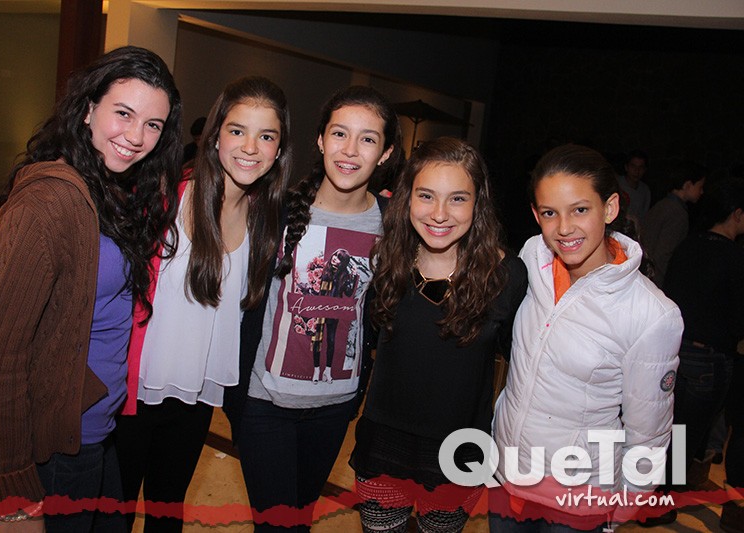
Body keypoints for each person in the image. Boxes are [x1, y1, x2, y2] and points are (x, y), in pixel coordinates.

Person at [0, 46, 183, 532]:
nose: (136, 136)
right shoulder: (48, 202)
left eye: (153, 125)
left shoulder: (107, 188)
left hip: (93, 430)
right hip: (53, 446)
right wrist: (17, 497)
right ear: (87, 109)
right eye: (123, 113)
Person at [114, 76, 291, 532]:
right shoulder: (164, 199)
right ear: (214, 136)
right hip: (132, 393)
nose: (250, 147)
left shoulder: (266, 221)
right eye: (237, 130)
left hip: (196, 396)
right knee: (110, 518)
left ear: (278, 150)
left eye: (266, 136)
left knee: (167, 513)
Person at [223, 85, 402, 532]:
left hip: (335, 406)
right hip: (264, 403)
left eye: (367, 139)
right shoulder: (274, 210)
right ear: (320, 140)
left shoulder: (395, 223)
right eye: (339, 133)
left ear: (385, 153)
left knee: (300, 522)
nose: (350, 150)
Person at [491, 144, 683, 532]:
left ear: (610, 208)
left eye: (580, 210)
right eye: (550, 213)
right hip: (509, 477)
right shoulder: (533, 257)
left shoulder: (652, 314)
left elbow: (649, 434)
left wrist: (619, 511)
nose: (564, 228)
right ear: (536, 215)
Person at [348, 137, 527, 533]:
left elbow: (524, 369)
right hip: (383, 446)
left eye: (457, 199)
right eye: (426, 195)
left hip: (460, 453)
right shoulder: (384, 262)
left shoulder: (506, 277)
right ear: (407, 198)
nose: (440, 214)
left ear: (478, 204)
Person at [663, 178, 744, 532]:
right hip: (709, 358)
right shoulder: (734, 258)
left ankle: (660, 493)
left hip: (675, 350)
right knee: (686, 435)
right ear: (737, 214)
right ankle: (661, 502)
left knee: (668, 429)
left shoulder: (689, 245)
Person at [639, 160, 706, 287]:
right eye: (700, 187)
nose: (702, 192)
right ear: (688, 185)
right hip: (652, 279)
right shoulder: (677, 213)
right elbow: (663, 255)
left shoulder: (663, 204)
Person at [616, 149, 651, 224]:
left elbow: (644, 216)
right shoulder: (616, 184)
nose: (637, 171)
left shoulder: (645, 190)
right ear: (626, 167)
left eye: (640, 167)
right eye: (633, 166)